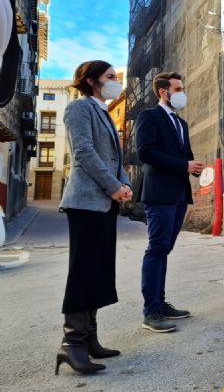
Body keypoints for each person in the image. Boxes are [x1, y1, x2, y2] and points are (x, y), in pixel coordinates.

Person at [57, 60, 132, 375]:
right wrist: (114, 186)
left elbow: (114, 157)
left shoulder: (102, 112)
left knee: (99, 271)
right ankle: (71, 344)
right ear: (90, 80)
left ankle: (89, 339)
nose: (116, 81)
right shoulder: (79, 110)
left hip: (105, 202)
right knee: (83, 272)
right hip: (86, 202)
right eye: (110, 77)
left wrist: (125, 184)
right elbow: (85, 153)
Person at [135, 72, 204, 332]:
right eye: (178, 88)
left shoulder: (181, 123)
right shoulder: (149, 117)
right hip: (159, 192)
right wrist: (182, 164)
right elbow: (146, 152)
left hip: (178, 194)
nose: (182, 92)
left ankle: (161, 304)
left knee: (165, 249)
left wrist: (194, 167)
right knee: (156, 248)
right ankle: (150, 311)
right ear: (164, 92)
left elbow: (185, 155)